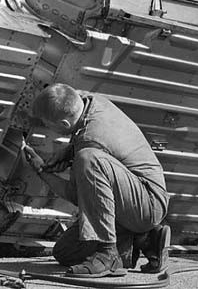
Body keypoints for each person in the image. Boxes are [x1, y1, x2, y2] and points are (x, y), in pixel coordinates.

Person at [26, 83, 171, 278]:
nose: (46, 127)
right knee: (65, 251)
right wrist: (69, 151)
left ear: (64, 125)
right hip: (133, 198)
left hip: (147, 203)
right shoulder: (91, 101)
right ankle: (145, 240)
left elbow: (80, 197)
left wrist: (41, 170)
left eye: (46, 123)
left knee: (88, 159)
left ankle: (108, 254)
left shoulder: (89, 142)